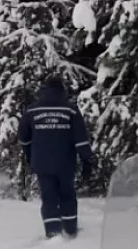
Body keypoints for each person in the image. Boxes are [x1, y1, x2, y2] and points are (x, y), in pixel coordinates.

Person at [18, 76, 93, 239]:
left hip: (42, 163)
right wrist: (87, 160)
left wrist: (31, 155)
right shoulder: (70, 109)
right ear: (62, 91)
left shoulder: (32, 110)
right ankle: (70, 229)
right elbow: (80, 138)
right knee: (67, 194)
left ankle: (52, 232)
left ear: (44, 90)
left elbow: (23, 137)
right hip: (65, 162)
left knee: (48, 196)